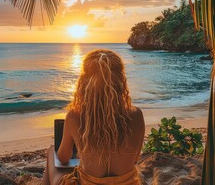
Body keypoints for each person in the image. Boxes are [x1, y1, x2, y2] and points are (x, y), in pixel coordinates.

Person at [43, 49, 145, 185]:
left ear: (85, 82)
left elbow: (63, 158)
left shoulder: (74, 116)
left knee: (52, 152)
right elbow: (135, 158)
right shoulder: (136, 115)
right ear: (120, 81)